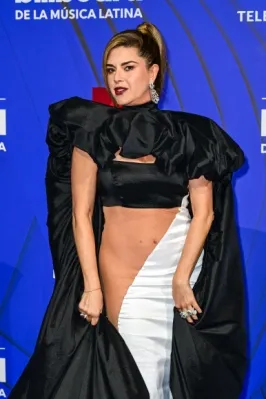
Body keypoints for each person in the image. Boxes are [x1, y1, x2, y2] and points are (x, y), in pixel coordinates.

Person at [9, 22, 247, 399]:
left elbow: (204, 214)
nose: (117, 78)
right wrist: (91, 286)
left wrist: (183, 278)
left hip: (178, 269)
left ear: (152, 72)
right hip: (121, 275)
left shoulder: (192, 134)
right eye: (110, 69)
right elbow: (80, 216)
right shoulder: (91, 131)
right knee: (136, 375)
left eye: (128, 67)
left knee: (171, 377)